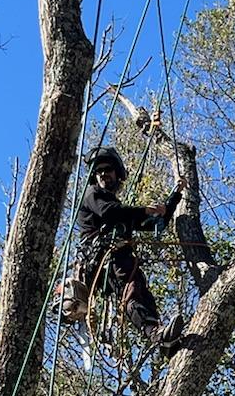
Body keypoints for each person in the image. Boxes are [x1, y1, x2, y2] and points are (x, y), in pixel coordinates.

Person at [65, 144, 185, 351]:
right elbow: (111, 212)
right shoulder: (92, 194)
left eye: (108, 170)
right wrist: (144, 210)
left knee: (139, 289)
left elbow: (155, 224)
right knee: (131, 290)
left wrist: (174, 198)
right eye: (99, 171)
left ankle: (165, 341)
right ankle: (156, 333)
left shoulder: (121, 211)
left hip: (113, 258)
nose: (103, 174)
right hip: (103, 259)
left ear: (117, 173)